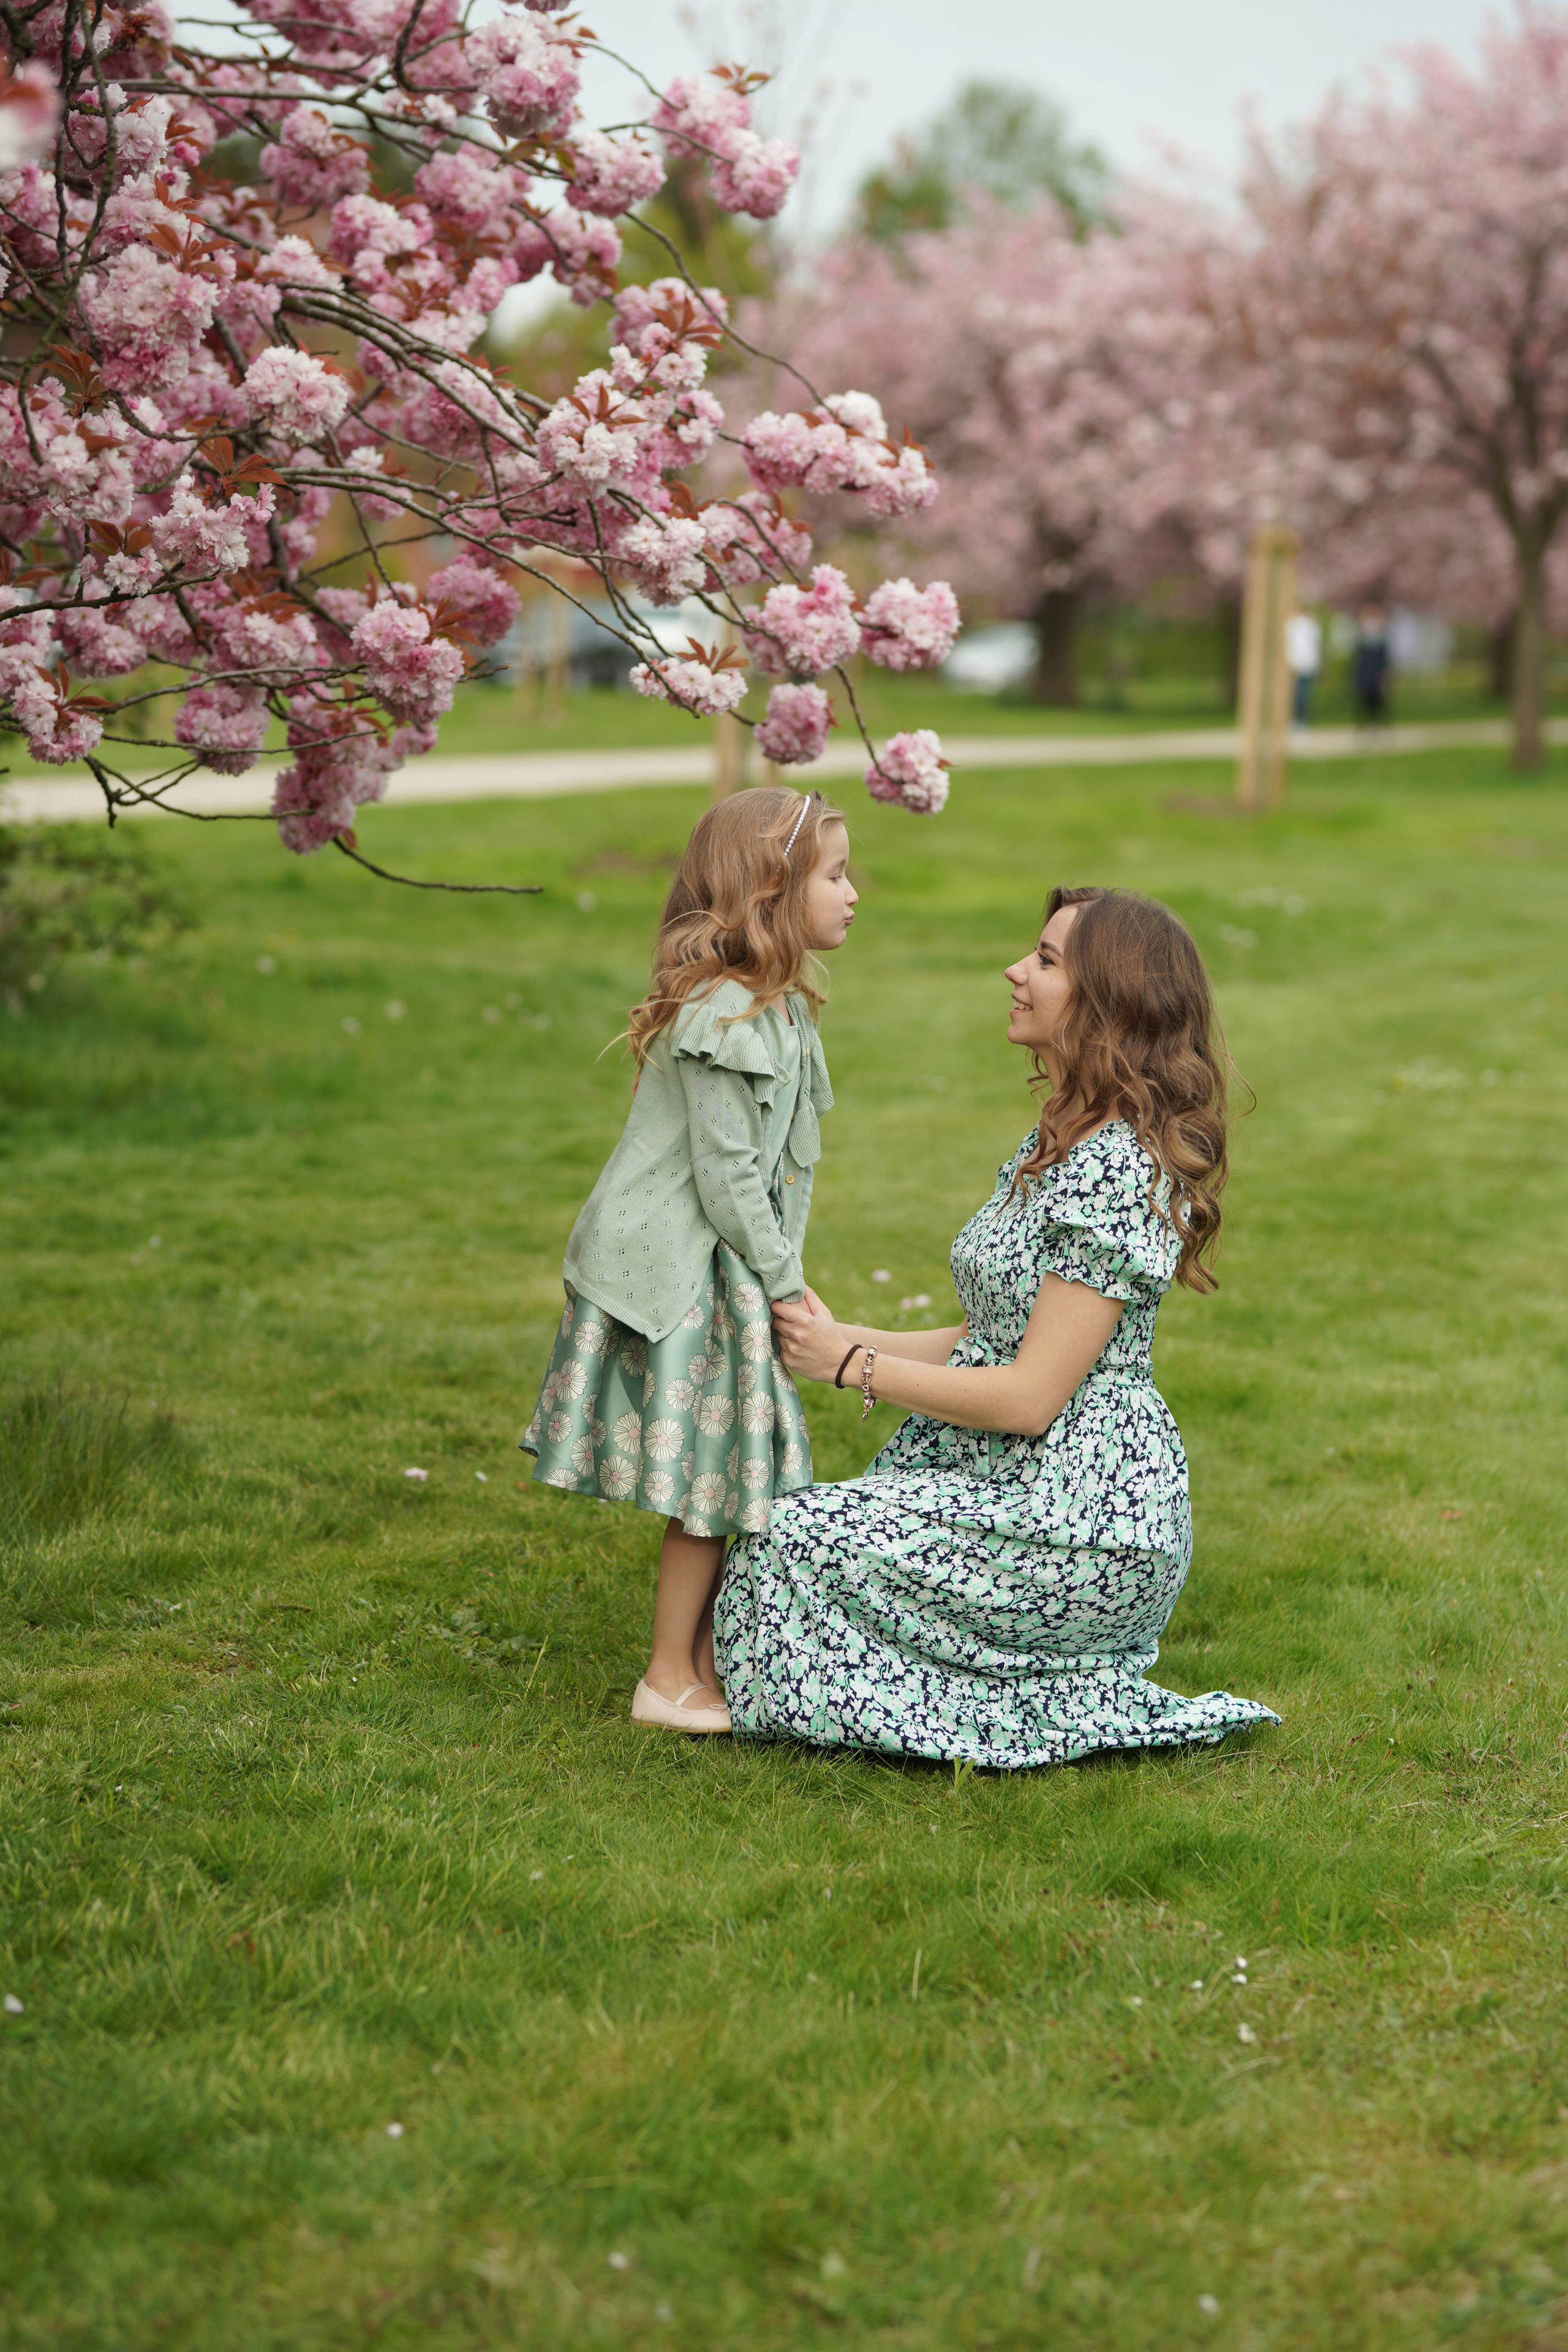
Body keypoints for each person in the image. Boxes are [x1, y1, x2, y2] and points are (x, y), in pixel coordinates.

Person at [714, 885, 1280, 1770]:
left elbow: (1027, 1393)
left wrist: (851, 1366)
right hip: (1014, 1486)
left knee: (791, 1540)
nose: (1016, 971)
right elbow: (993, 1335)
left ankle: (1013, 1697)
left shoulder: (1116, 1169)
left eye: (1047, 962)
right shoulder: (1060, 1135)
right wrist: (830, 1333)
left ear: (1109, 1003)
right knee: (779, 1534)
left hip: (1083, 1517)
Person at [521, 787, 856, 1735]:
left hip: (729, 1260)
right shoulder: (726, 1013)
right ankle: (669, 1677)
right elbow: (726, 1174)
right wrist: (785, 1280)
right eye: (835, 876)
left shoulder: (780, 1007)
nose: (853, 894)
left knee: (738, 1466)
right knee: (716, 1473)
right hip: (683, 1264)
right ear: (772, 892)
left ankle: (703, 1662)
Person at [1352, 602, 1390, 723]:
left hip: (1376, 675)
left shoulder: (1381, 641)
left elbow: (1384, 661)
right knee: (1364, 701)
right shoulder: (1363, 641)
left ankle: (1376, 723)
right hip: (1365, 675)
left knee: (1378, 702)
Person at [1286, 608, 1322, 725]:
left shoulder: (1299, 625)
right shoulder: (1306, 625)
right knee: (1301, 693)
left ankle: (1300, 720)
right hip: (1302, 664)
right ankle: (1300, 719)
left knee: (1300, 694)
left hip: (1302, 665)